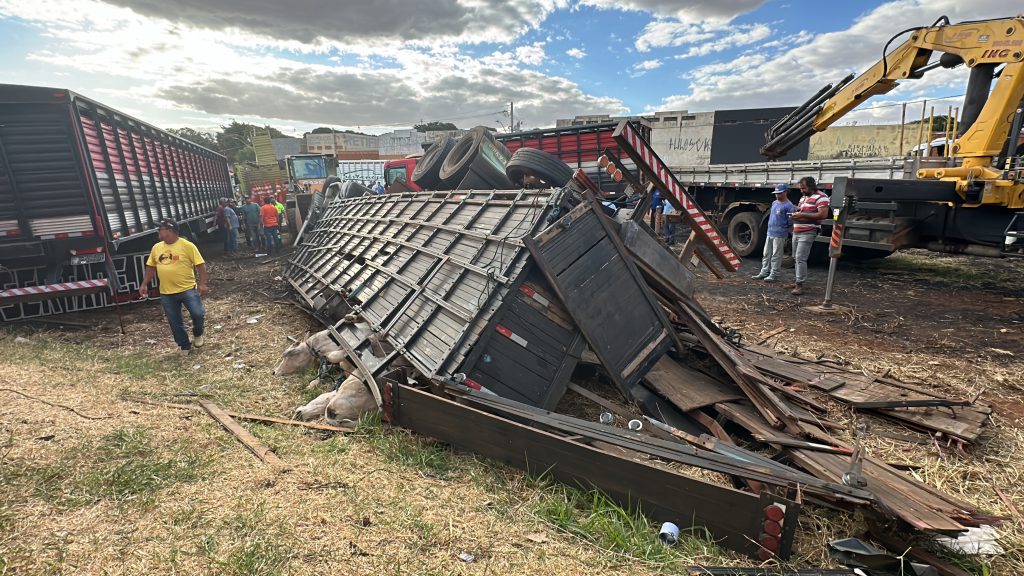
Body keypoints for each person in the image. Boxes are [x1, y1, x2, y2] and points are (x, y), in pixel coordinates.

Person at [139, 220, 208, 356]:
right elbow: (151, 267)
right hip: (166, 292)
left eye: (161, 229)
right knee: (174, 321)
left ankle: (198, 333)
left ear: (170, 230)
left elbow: (200, 265)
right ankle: (184, 345)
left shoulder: (187, 246)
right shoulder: (156, 248)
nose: (158, 232)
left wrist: (202, 283)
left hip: (187, 289)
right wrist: (144, 284)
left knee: (197, 314)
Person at [788, 176, 830, 295]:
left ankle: (799, 284)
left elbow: (822, 215)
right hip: (797, 230)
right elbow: (803, 212)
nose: (801, 191)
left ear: (811, 186)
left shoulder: (821, 197)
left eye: (803, 188)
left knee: (801, 257)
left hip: (808, 230)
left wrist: (801, 215)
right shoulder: (803, 198)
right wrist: (796, 212)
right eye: (800, 188)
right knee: (795, 257)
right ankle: (797, 279)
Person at [752, 184, 794, 283]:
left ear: (785, 192)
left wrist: (788, 231)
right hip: (770, 232)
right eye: (776, 193)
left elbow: (790, 221)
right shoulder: (775, 203)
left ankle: (774, 274)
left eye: (779, 193)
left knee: (776, 254)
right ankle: (764, 271)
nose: (777, 195)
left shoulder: (789, 206)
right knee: (766, 253)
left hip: (780, 233)